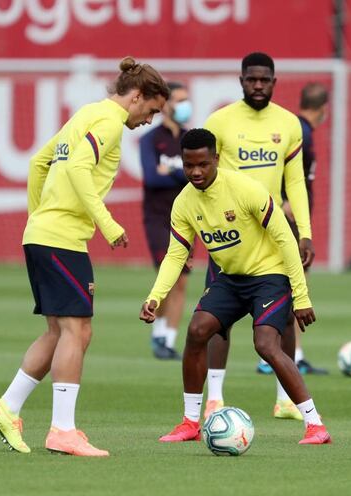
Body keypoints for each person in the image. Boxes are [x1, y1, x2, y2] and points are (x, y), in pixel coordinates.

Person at [0, 57, 169, 457]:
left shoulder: (86, 113)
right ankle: (62, 431)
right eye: (152, 110)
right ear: (136, 97)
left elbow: (39, 163)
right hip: (62, 238)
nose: (151, 119)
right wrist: (107, 222)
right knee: (77, 331)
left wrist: (38, 217)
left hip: (45, 234)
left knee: (61, 331)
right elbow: (79, 169)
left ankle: (7, 407)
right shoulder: (110, 124)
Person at [139, 128, 331, 445]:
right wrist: (155, 297)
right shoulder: (184, 202)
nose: (196, 172)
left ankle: (315, 425)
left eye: (203, 164)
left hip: (270, 275)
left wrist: (301, 296)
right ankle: (189, 423)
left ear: (216, 159)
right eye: (189, 166)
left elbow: (285, 239)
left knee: (266, 344)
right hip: (230, 279)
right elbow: (177, 254)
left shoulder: (245, 190)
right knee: (198, 330)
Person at [202, 52, 315, 421]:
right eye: (251, 79)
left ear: (274, 82)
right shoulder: (220, 121)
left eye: (264, 80)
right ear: (241, 80)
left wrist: (305, 233)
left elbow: (295, 181)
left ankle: (285, 399)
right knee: (218, 319)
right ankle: (215, 399)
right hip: (230, 235)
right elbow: (206, 176)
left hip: (274, 234)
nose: (258, 86)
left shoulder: (289, 124)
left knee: (283, 318)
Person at [261, 82, 330, 376]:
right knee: (289, 289)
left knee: (291, 289)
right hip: (286, 221)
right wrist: (288, 205)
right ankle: (281, 356)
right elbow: (287, 174)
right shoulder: (300, 132)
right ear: (324, 109)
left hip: (291, 220)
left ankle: (289, 354)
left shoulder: (300, 129)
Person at [139, 81, 192, 360]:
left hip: (187, 219)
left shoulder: (190, 139)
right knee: (168, 276)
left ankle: (167, 340)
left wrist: (169, 169)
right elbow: (151, 177)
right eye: (180, 100)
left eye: (187, 100)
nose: (185, 106)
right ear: (167, 105)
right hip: (158, 218)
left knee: (182, 280)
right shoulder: (150, 139)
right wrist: (180, 171)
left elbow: (199, 175)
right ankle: (159, 331)